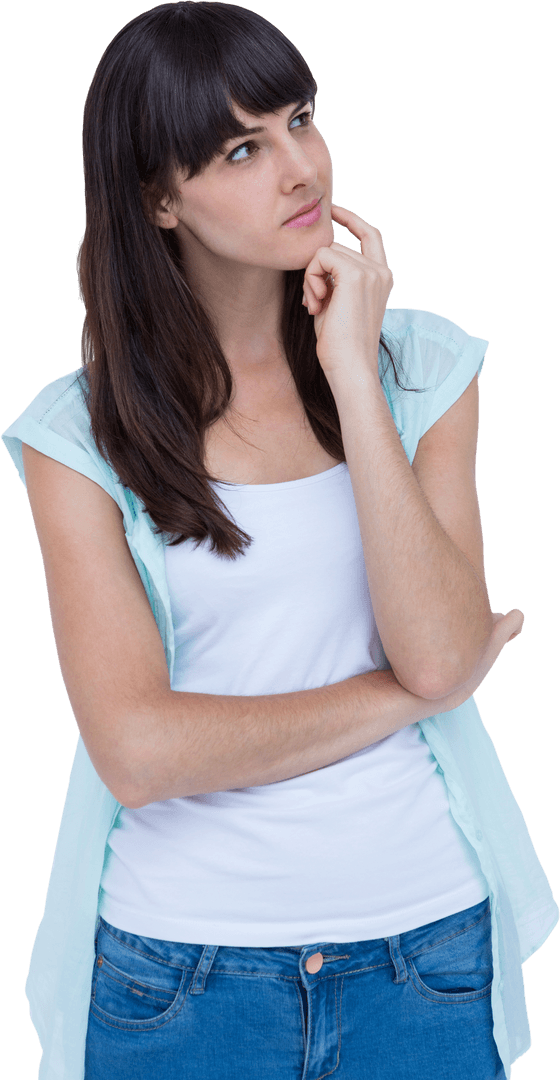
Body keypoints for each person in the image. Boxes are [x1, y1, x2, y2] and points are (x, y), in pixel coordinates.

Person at [2, 3, 557, 1079]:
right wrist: (407, 697)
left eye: (300, 119)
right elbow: (138, 752)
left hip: (426, 954)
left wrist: (351, 373)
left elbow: (440, 647)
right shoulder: (77, 436)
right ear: (159, 199)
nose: (301, 168)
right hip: (181, 977)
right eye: (242, 150)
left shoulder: (419, 370)